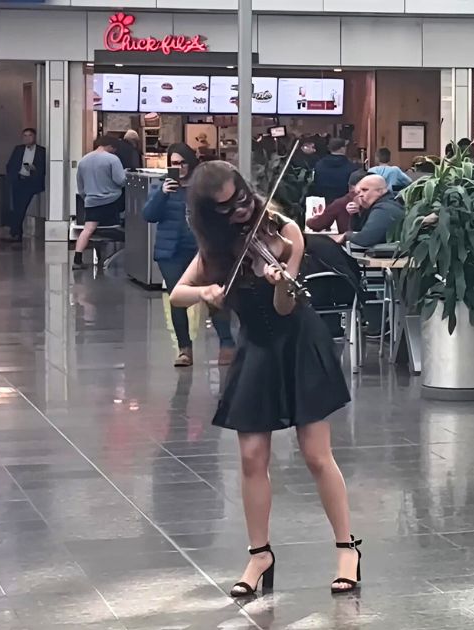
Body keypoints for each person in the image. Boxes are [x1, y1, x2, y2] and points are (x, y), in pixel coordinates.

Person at [170, 161, 361, 597]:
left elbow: (284, 308)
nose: (239, 210)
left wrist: (280, 281)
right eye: (225, 208)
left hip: (297, 343)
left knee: (316, 455)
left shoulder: (285, 231)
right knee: (252, 457)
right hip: (256, 348)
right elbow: (178, 294)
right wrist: (205, 292)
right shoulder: (215, 251)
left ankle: (347, 547)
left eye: (241, 198)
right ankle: (259, 554)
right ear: (208, 214)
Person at [143, 144, 236, 367]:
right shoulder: (163, 186)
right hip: (171, 252)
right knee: (178, 299)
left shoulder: (202, 186)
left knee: (214, 295)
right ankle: (184, 349)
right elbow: (149, 215)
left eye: (183, 162)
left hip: (201, 249)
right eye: (174, 164)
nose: (179, 168)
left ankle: (227, 343)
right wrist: (163, 194)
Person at [73, 136, 126, 270]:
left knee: (88, 230)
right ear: (111, 147)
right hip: (112, 201)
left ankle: (77, 260)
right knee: (117, 229)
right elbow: (120, 181)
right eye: (114, 149)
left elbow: (80, 186)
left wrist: (88, 198)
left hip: (91, 202)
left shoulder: (83, 160)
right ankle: (115, 259)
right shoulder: (113, 159)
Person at [333, 174, 405, 249]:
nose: (360, 195)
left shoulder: (384, 209)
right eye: (358, 192)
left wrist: (346, 235)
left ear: (380, 191)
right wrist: (356, 214)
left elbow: (366, 239)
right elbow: (359, 231)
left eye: (364, 190)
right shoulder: (384, 204)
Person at [5, 128, 46, 241]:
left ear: (34, 137)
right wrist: (12, 176)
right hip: (18, 180)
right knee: (17, 206)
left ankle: (15, 230)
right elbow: (11, 164)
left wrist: (33, 170)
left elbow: (43, 168)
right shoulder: (18, 149)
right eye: (25, 136)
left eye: (30, 136)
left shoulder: (41, 151)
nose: (27, 138)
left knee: (23, 206)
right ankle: (16, 230)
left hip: (31, 182)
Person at [311, 138, 359, 204]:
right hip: (344, 204)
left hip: (323, 203)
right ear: (342, 149)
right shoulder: (352, 167)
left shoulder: (319, 165)